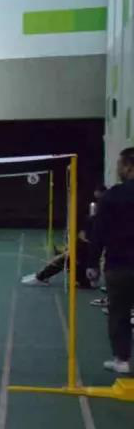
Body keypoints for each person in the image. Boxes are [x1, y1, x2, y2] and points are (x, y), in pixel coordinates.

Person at [87, 148, 134, 374]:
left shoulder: (112, 196)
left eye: (119, 165)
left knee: (119, 313)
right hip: (120, 264)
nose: (117, 170)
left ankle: (122, 360)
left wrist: (92, 264)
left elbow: (99, 233)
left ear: (128, 167)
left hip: (119, 266)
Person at [22, 185, 105, 289]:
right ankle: (41, 276)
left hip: (89, 277)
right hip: (87, 269)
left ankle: (41, 277)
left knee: (66, 259)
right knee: (67, 257)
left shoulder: (93, 238)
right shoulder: (89, 235)